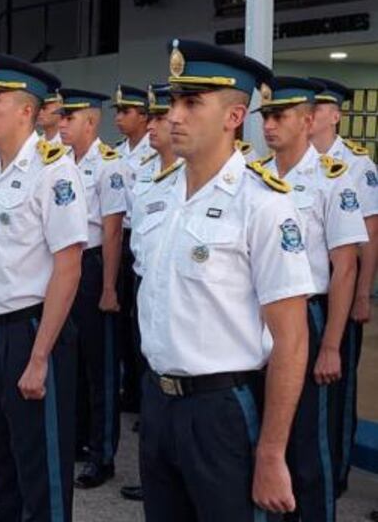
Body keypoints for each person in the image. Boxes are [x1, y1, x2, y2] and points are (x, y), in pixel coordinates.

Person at [137, 39, 314, 520]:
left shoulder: (263, 203)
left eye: (192, 103)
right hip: (158, 400)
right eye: (173, 101)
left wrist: (272, 453)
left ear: (234, 117)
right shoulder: (156, 196)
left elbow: (292, 339)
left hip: (221, 412)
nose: (174, 115)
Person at [0, 51, 87, 521]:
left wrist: (39, 358)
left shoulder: (53, 170)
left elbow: (69, 265)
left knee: (42, 476)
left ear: (27, 110)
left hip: (33, 334)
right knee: (3, 467)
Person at [258, 77, 368, 522]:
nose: (268, 125)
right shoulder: (254, 177)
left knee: (308, 443)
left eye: (279, 116)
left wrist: (330, 347)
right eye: (265, 115)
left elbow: (345, 268)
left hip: (308, 315)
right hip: (260, 314)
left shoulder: (332, 181)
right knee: (263, 433)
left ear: (307, 121)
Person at [307, 76, 378, 496]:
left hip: (343, 291)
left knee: (339, 388)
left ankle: (336, 470)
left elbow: (369, 234)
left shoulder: (356, 164)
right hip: (306, 293)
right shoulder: (295, 163)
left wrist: (362, 294)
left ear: (335, 115)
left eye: (318, 108)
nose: (311, 114)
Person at [57, 88, 126, 489]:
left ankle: (103, 453)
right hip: (67, 266)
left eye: (71, 117)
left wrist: (109, 287)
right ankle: (80, 440)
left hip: (95, 265)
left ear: (91, 121)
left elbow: (114, 231)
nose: (63, 124)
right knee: (72, 358)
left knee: (99, 365)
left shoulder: (108, 165)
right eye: (61, 117)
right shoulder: (61, 163)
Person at [122, 84, 183, 503]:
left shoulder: (195, 177)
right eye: (159, 115)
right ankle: (157, 472)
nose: (162, 123)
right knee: (150, 372)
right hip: (148, 284)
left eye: (164, 115)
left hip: (182, 295)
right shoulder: (148, 172)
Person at [112, 85, 152, 415]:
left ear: (143, 115)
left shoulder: (154, 156)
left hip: (138, 239)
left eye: (126, 112)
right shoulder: (118, 153)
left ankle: (142, 393)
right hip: (120, 241)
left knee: (142, 322)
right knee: (122, 323)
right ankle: (130, 390)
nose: (118, 118)